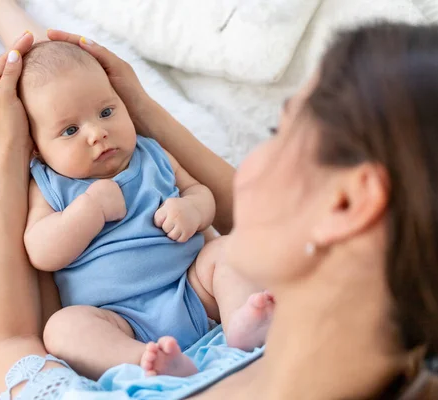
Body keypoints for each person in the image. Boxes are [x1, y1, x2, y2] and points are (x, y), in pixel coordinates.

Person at [0, 0, 438, 398]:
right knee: (58, 90)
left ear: (349, 204)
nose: (248, 169)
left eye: (279, 132)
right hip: (166, 289)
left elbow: (10, 345)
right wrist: (139, 113)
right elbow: (248, 217)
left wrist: (13, 154)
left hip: (116, 312)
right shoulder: (389, 351)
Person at [19, 41, 272, 379]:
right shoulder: (49, 186)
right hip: (117, 318)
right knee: (61, 329)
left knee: (227, 251)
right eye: (70, 130)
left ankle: (241, 322)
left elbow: (200, 192)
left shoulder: (151, 154)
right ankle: (145, 360)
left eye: (106, 112)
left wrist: (192, 209)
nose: (98, 133)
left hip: (192, 288)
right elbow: (40, 250)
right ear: (37, 149)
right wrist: (88, 210)